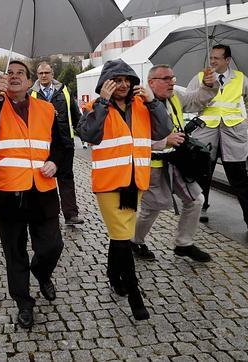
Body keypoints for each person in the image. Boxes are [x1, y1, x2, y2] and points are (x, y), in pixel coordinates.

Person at [76, 59, 172, 321]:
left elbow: (164, 129)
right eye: (116, 80)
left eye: (127, 80)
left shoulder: (143, 105)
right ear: (105, 83)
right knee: (121, 234)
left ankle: (112, 274)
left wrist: (153, 101)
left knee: (122, 234)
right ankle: (134, 294)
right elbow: (88, 135)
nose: (123, 85)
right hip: (109, 183)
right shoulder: (96, 107)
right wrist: (103, 104)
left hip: (134, 181)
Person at [0, 60, 64, 329]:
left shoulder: (47, 109)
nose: (15, 77)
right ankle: (24, 302)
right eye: (10, 73)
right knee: (15, 254)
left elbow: (62, 145)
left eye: (21, 74)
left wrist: (56, 161)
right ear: (3, 79)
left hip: (42, 190)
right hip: (8, 193)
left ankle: (41, 272)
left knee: (52, 246)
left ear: (31, 82)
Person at [132, 64, 219, 263]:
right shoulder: (138, 103)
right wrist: (163, 142)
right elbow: (132, 138)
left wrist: (208, 85)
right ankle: (134, 241)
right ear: (151, 82)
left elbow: (199, 99)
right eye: (166, 79)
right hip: (153, 165)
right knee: (151, 209)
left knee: (195, 200)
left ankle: (183, 244)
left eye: (173, 78)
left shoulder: (175, 97)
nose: (172, 82)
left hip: (177, 162)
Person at [187, 44, 248, 230]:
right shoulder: (201, 77)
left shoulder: (240, 78)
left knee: (239, 176)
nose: (213, 61)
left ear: (228, 60)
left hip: (232, 133)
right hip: (206, 132)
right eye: (211, 57)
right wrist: (205, 88)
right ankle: (200, 208)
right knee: (203, 174)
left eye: (217, 58)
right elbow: (189, 102)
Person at [30, 62, 84, 225]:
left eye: (47, 72)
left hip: (65, 142)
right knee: (43, 178)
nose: (44, 75)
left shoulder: (65, 91)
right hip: (43, 144)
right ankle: (45, 213)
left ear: (53, 74)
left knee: (66, 178)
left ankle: (70, 214)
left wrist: (82, 132)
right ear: (37, 76)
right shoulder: (31, 94)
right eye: (41, 73)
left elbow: (75, 114)